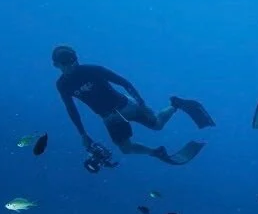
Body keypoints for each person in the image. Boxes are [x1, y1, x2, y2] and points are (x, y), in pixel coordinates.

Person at [53, 45, 214, 163]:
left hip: (126, 106)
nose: (71, 65)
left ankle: (175, 105)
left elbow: (124, 83)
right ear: (57, 65)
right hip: (109, 118)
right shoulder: (62, 85)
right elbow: (71, 109)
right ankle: (156, 152)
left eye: (73, 60)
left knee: (157, 125)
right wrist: (83, 134)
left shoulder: (92, 70)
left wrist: (141, 102)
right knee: (126, 149)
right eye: (66, 63)